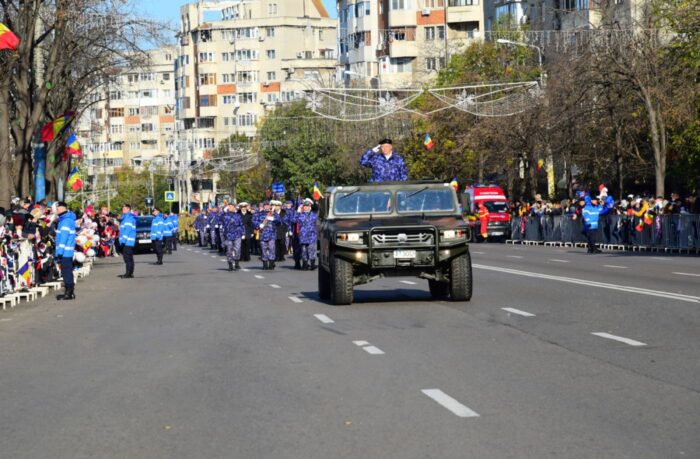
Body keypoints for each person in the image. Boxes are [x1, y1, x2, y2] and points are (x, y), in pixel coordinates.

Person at [55, 202, 77, 300]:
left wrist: (59, 252)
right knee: (67, 271)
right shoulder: (66, 219)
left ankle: (69, 293)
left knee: (66, 272)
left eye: (58, 208)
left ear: (62, 208)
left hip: (64, 252)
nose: (56, 210)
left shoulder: (65, 221)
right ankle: (70, 292)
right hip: (67, 251)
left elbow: (63, 238)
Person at [291, 198, 318, 270]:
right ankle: (305, 264)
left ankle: (312, 264)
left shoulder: (314, 215)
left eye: (307, 206)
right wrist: (298, 211)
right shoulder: (300, 215)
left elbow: (319, 223)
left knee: (312, 250)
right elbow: (293, 220)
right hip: (303, 236)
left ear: (310, 206)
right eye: (305, 206)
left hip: (312, 236)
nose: (306, 207)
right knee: (304, 251)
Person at [256, 200, 281, 270]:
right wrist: (258, 225)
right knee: (263, 250)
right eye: (265, 205)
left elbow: (280, 222)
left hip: (272, 235)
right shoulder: (259, 214)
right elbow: (253, 221)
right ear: (263, 206)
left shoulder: (273, 214)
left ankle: (271, 263)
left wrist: (274, 219)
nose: (266, 206)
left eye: (268, 205)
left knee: (272, 249)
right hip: (263, 234)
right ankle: (264, 264)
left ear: (270, 206)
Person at [222, 203, 245, 271]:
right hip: (229, 235)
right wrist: (224, 211)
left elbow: (241, 224)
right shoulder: (225, 215)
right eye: (229, 207)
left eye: (232, 207)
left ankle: (237, 262)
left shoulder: (238, 215)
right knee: (229, 250)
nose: (230, 208)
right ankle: (230, 264)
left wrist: (243, 233)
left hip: (237, 234)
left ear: (235, 208)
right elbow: (221, 219)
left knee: (237, 249)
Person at [118, 204, 136, 278]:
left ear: (128, 209)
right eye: (123, 208)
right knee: (129, 258)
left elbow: (127, 231)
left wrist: (123, 240)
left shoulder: (128, 218)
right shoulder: (125, 217)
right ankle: (130, 273)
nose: (123, 210)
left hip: (127, 242)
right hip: (128, 242)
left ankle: (128, 273)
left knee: (127, 258)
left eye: (125, 208)